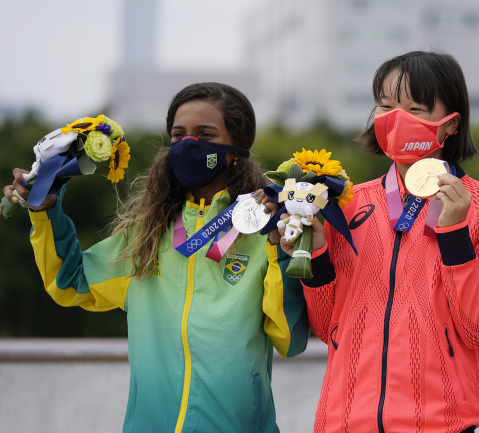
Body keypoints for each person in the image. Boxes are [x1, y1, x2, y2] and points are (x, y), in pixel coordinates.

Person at [2, 82, 309, 432]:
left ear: (237, 146)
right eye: (179, 135)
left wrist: (278, 249)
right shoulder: (146, 234)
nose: (188, 144)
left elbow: (289, 338)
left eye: (205, 133)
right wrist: (46, 210)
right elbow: (70, 282)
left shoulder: (266, 232)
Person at [279, 50, 479, 432]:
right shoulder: (348, 204)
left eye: (416, 108)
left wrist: (455, 235)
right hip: (344, 421)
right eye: (385, 105)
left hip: (441, 424)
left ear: (451, 124)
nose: (395, 118)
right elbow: (327, 327)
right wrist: (317, 254)